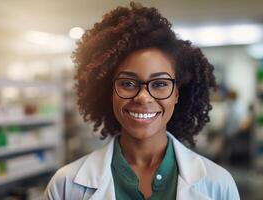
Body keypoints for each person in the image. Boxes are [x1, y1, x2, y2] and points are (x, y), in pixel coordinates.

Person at [45, 2, 240, 200]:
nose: (143, 97)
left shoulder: (218, 185)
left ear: (177, 93)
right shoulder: (65, 186)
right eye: (128, 83)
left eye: (160, 84)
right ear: (108, 90)